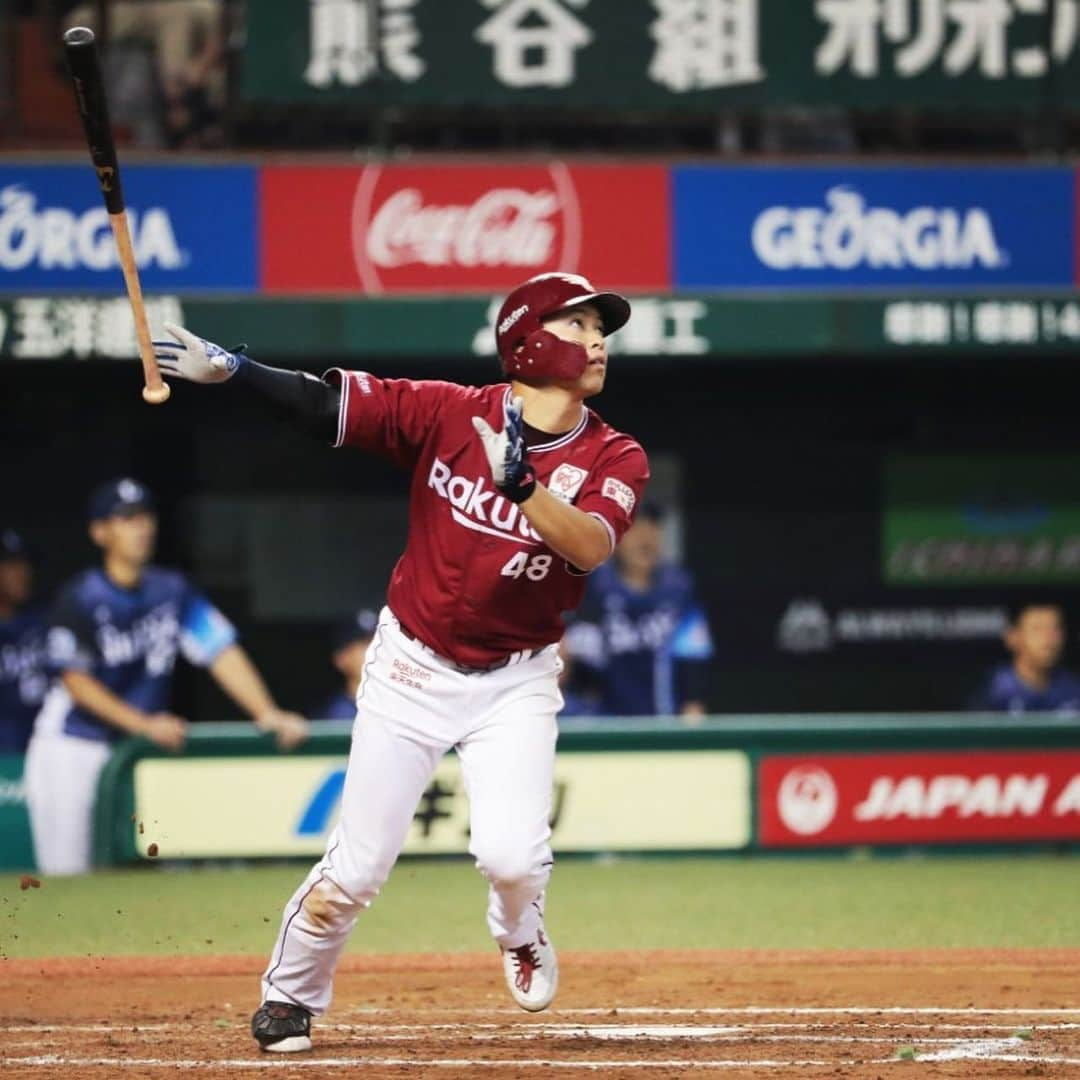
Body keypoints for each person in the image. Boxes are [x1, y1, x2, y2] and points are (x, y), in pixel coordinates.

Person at [152, 270, 650, 1052]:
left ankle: (519, 931)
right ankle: (289, 995)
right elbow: (330, 406)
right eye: (580, 326)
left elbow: (590, 546)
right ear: (527, 340)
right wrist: (235, 369)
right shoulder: (451, 412)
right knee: (356, 870)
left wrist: (523, 488)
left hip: (516, 679)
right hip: (411, 666)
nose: (597, 342)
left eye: (601, 330)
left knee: (513, 857)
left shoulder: (614, 453)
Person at [23, 478, 309, 877]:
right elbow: (77, 682)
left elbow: (220, 650)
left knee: (147, 873)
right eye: (125, 519)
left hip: (139, 749)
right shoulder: (81, 596)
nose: (141, 527)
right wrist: (144, 725)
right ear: (100, 531)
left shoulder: (171, 591)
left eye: (144, 516)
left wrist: (267, 712)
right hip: (75, 747)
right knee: (69, 874)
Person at [567, 503, 713, 718]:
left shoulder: (678, 588)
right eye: (635, 530)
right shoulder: (595, 586)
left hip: (665, 722)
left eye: (652, 529)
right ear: (616, 539)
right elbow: (576, 658)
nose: (645, 539)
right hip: (605, 722)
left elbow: (694, 655)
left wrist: (693, 707)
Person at [968, 601, 1080, 715]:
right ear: (1013, 637)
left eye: (1055, 629)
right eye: (1037, 629)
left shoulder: (1074, 688)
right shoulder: (994, 690)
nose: (1048, 639)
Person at [0, 529, 47, 755]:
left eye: (25, 565)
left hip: (46, 752)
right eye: (10, 565)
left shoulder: (46, 622)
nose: (23, 573)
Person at [316, 608, 379, 720]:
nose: (375, 650)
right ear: (341, 659)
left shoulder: (402, 705)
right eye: (365, 643)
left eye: (379, 642)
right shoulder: (333, 715)